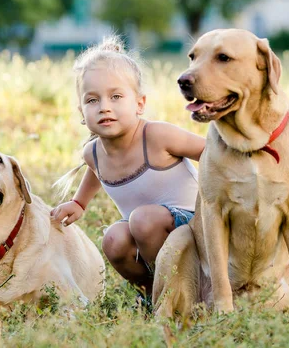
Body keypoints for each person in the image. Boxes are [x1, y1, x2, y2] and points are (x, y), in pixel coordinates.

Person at [51, 36, 205, 304]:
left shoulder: (157, 136)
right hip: (149, 232)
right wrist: (79, 202)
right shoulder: (93, 153)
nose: (104, 107)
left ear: (139, 103)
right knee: (114, 238)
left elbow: (211, 153)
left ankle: (188, 290)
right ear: (81, 111)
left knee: (142, 220)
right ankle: (154, 294)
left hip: (196, 229)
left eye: (116, 96)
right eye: (92, 100)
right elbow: (95, 170)